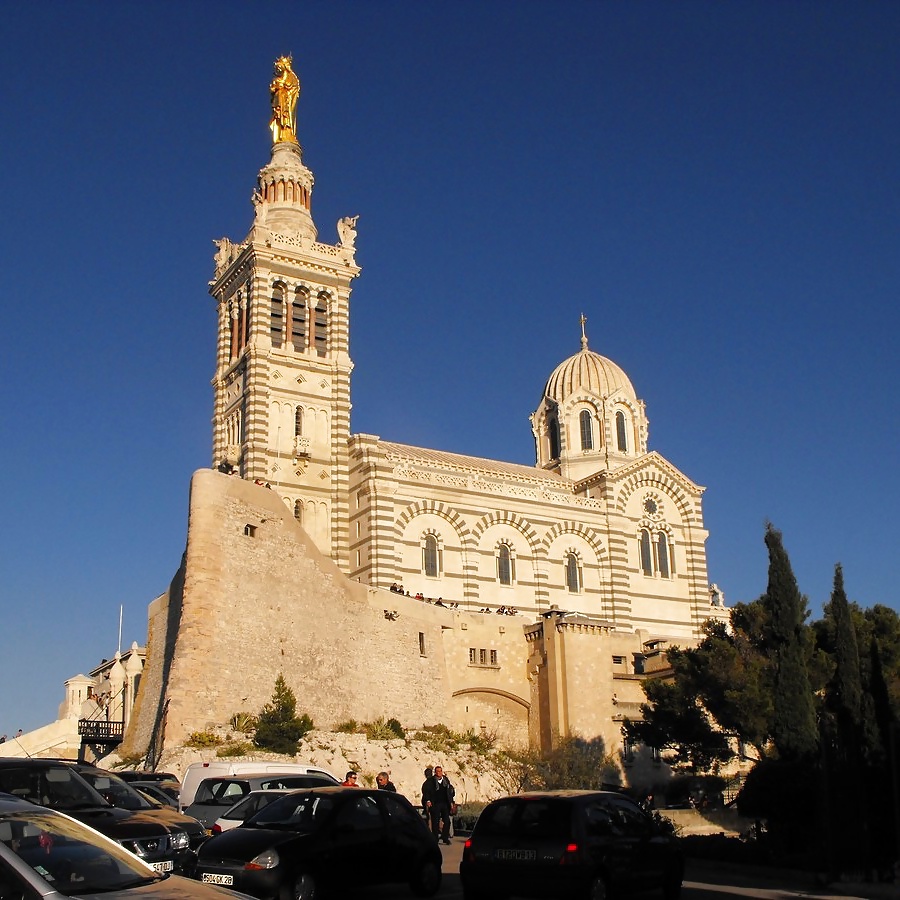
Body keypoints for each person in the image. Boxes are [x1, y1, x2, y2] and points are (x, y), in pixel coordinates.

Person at [424, 765, 455, 844]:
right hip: (435, 804)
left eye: (440, 771)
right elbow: (426, 791)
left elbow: (449, 792)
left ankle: (445, 837)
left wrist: (451, 802)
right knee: (435, 821)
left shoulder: (445, 780)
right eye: (437, 771)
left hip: (445, 804)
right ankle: (435, 838)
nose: (439, 773)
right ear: (435, 772)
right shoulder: (430, 781)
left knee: (447, 821)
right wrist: (428, 800)